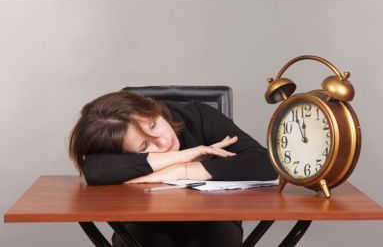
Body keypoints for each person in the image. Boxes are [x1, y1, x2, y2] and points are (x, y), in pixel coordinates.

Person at [69, 91, 277, 247]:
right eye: (144, 147)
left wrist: (183, 170)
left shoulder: (198, 115)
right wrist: (180, 156)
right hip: (145, 222)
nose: (163, 142)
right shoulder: (114, 147)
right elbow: (94, 170)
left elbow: (266, 163)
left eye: (153, 125)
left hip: (213, 220)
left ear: (153, 109)